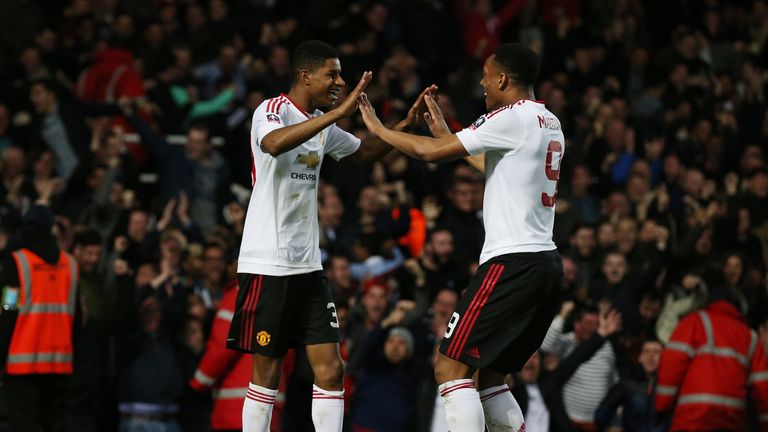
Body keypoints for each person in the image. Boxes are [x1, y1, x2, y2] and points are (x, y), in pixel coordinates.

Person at [225, 40, 432, 432]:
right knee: (267, 371)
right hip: (268, 261)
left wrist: (404, 126)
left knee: (332, 370)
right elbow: (273, 144)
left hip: (308, 265)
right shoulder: (272, 111)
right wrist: (337, 113)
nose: (340, 81)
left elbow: (363, 154)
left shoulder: (322, 122)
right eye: (332, 74)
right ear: (305, 76)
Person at [357, 43, 565, 431]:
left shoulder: (509, 116)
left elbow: (428, 154)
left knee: (450, 366)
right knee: (489, 380)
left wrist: (379, 131)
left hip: (512, 263)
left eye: (486, 76)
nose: (483, 84)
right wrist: (446, 135)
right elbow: (497, 167)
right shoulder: (547, 120)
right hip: (546, 265)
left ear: (503, 78)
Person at [0, 202, 79, 432]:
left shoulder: (17, 263)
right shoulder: (70, 265)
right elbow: (78, 316)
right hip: (60, 365)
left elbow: (8, 309)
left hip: (22, 367)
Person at [655, 291, 768, 431]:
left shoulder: (695, 322)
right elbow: (763, 386)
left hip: (693, 418)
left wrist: (662, 405)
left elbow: (672, 362)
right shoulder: (750, 336)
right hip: (732, 420)